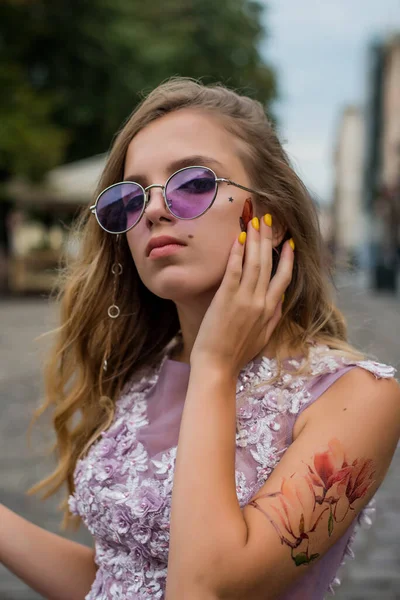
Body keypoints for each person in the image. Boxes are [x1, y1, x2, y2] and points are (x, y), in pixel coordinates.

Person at [1, 78, 399, 600]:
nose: (154, 210)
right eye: (130, 197)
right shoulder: (142, 374)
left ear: (271, 220)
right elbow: (118, 582)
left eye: (193, 183)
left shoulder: (358, 398)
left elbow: (203, 587)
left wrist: (214, 366)